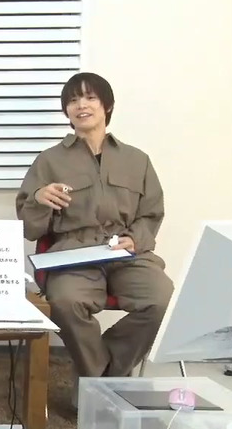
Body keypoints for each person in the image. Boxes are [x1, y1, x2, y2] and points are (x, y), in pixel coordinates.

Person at [15, 72, 173, 383]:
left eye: (90, 98)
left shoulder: (137, 160)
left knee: (162, 299)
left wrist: (135, 239)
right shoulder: (49, 161)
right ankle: (107, 380)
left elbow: (152, 213)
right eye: (73, 100)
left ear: (107, 106)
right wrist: (38, 198)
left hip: (126, 253)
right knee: (65, 302)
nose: (81, 105)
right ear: (66, 110)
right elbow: (29, 226)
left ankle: (101, 374)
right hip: (73, 254)